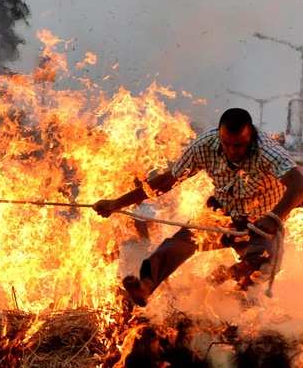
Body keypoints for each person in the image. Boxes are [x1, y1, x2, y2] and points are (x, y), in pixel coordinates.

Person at [93, 108, 303, 306]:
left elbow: (298, 184)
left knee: (264, 264)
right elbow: (167, 180)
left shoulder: (267, 150)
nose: (231, 151)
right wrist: (116, 203)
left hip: (261, 222)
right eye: (226, 144)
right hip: (222, 212)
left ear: (251, 138)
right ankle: (146, 285)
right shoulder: (205, 145)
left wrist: (275, 218)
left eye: (238, 145)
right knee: (180, 243)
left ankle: (224, 280)